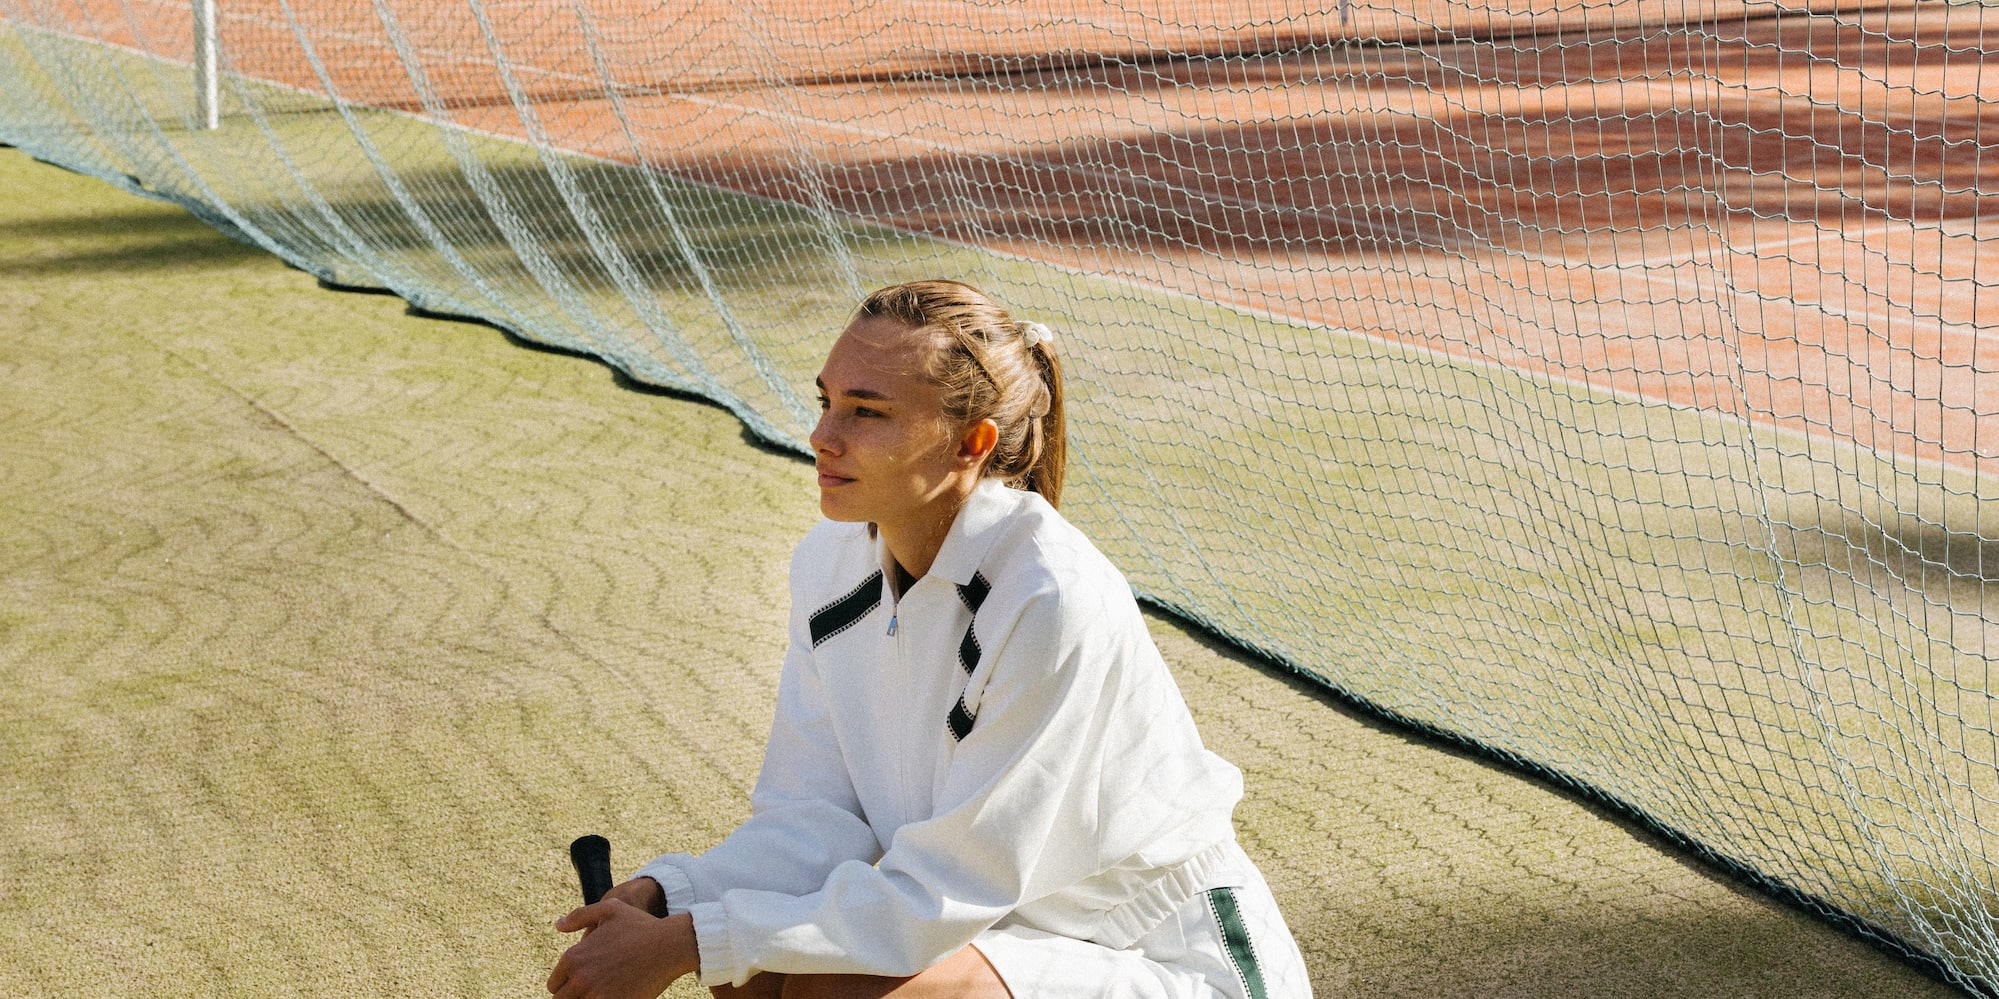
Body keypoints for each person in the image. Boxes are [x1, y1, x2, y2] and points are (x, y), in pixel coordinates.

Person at [547, 279, 1311, 999]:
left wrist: (690, 940)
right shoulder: (827, 561)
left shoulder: (1050, 597)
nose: (822, 435)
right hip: (999, 928)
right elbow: (816, 816)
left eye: (866, 412)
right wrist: (669, 895)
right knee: (754, 966)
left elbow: (945, 891)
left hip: (1160, 956)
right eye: (826, 401)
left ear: (968, 445)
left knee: (821, 979)